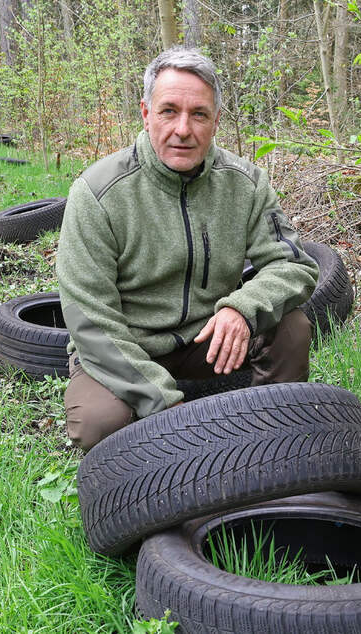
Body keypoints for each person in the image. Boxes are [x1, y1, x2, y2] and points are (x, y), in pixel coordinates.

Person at [56, 47, 319, 451]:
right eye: (168, 111)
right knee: (98, 422)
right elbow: (90, 319)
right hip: (127, 344)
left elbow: (293, 265)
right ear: (145, 114)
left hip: (205, 338)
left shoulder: (246, 184)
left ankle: (271, 440)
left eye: (198, 114)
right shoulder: (97, 193)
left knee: (290, 328)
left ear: (216, 122)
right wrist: (168, 407)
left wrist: (241, 309)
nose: (183, 129)